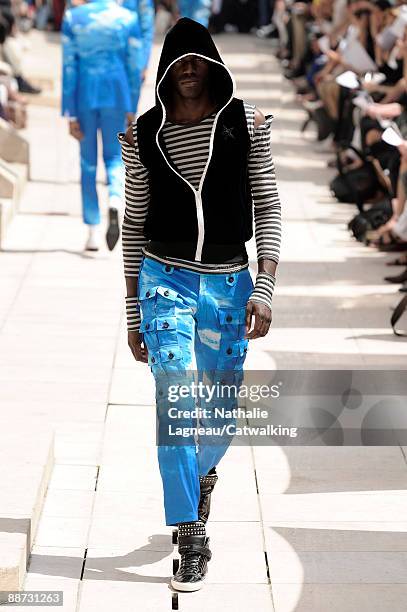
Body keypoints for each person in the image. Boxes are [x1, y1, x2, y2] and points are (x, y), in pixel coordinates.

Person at [118, 17, 282, 592]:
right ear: (165, 71)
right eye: (176, 62)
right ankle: (190, 532)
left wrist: (264, 286)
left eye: (196, 60)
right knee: (175, 396)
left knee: (219, 405)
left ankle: (202, 473)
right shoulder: (143, 133)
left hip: (229, 285)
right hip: (163, 279)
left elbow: (267, 206)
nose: (187, 70)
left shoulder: (245, 125)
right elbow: (135, 224)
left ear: (214, 66)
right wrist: (134, 314)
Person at [61, 0, 143, 252]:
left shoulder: (73, 18)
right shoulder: (127, 18)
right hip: (117, 94)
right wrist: (132, 106)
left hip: (85, 93)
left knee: (87, 163)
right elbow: (134, 65)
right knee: (115, 157)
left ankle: (92, 230)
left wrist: (70, 112)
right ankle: (115, 201)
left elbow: (69, 66)